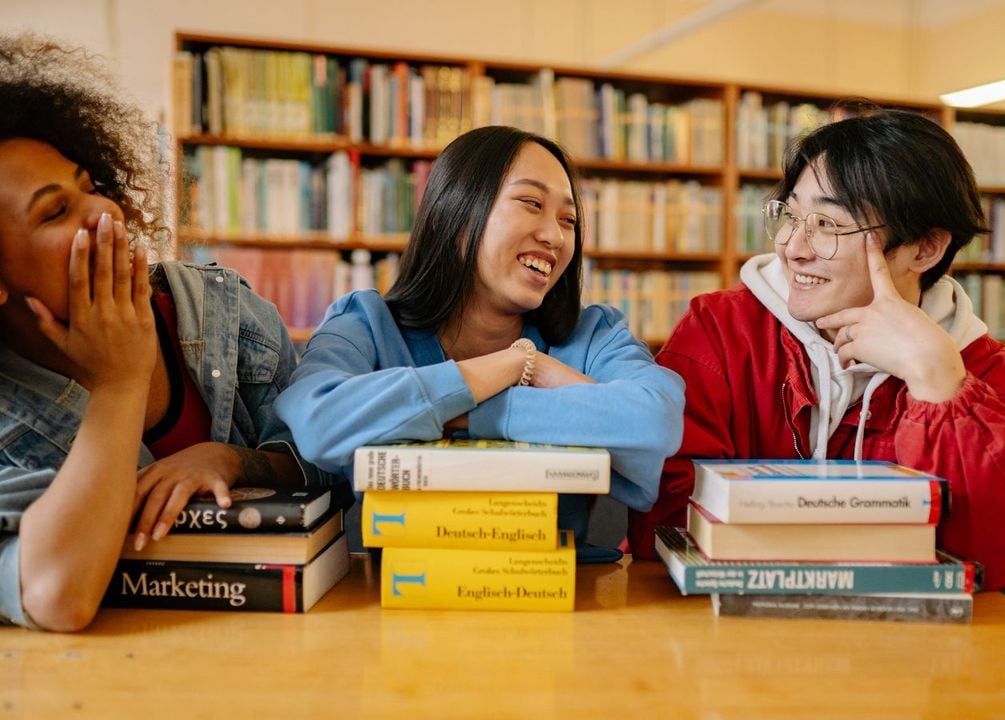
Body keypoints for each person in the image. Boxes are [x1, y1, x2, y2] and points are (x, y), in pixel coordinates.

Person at [0, 34, 334, 631]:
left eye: (90, 186)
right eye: (54, 212)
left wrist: (233, 459)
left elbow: (330, 466)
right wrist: (121, 383)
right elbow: (55, 594)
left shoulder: (229, 312)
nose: (105, 212)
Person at [628, 107, 1005, 590]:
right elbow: (662, 521)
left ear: (924, 248)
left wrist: (937, 382)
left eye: (828, 225)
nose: (793, 247)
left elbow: (993, 562)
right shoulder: (721, 329)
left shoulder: (983, 373)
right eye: (793, 215)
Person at [276, 125, 685, 553]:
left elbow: (653, 419)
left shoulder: (592, 335)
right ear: (450, 215)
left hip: (554, 598)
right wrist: (508, 367)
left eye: (569, 220)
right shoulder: (366, 323)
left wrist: (469, 410)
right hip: (391, 601)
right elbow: (319, 419)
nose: (556, 236)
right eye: (531, 203)